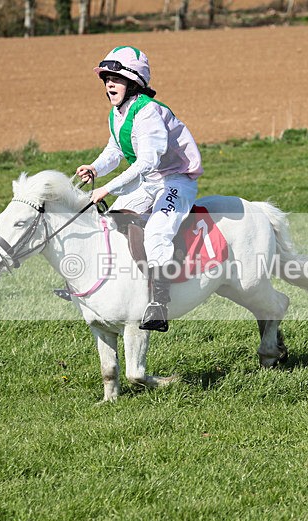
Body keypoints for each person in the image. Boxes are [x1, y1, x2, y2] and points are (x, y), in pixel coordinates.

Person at [75, 46, 203, 333]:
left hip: (175, 181)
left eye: (116, 79)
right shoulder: (118, 113)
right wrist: (95, 168)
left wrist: (107, 188)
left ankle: (159, 304)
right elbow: (114, 150)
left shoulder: (148, 112)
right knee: (111, 219)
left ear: (133, 83)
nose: (109, 84)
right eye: (107, 79)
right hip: (150, 182)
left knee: (157, 230)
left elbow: (147, 161)